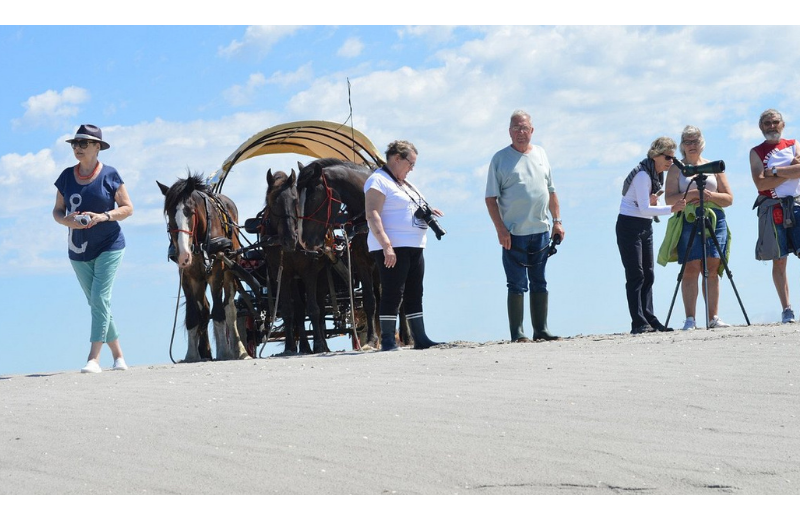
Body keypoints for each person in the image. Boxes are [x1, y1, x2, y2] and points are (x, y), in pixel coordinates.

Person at [52, 124, 134, 373]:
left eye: (83, 143)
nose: (77, 148)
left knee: (99, 298)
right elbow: (57, 211)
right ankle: (119, 356)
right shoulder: (66, 176)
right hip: (77, 251)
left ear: (97, 147)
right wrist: (67, 220)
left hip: (110, 246)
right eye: (75, 144)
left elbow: (127, 208)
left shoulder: (110, 174)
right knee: (97, 303)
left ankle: (93, 359)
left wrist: (103, 216)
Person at [485, 109, 564, 342]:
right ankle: (518, 333)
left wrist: (557, 222)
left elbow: (551, 191)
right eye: (516, 128)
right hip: (513, 233)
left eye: (525, 128)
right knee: (517, 284)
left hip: (540, 230)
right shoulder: (500, 159)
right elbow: (491, 199)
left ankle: (541, 330)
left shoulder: (541, 153)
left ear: (532, 130)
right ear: (509, 132)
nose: (521, 132)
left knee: (540, 281)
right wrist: (500, 229)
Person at [365, 140, 443, 351]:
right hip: (394, 246)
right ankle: (388, 340)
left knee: (415, 291)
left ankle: (420, 337)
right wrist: (386, 245)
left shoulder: (405, 184)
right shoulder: (378, 180)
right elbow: (372, 214)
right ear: (397, 158)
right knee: (393, 291)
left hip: (414, 245)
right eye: (410, 164)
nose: (411, 169)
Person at [663, 126, 734, 330]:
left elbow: (729, 198)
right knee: (690, 267)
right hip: (689, 217)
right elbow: (669, 198)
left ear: (701, 143)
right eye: (687, 141)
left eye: (694, 141)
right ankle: (690, 318)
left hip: (714, 218)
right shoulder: (678, 168)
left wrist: (710, 197)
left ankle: (713, 317)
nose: (691, 145)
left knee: (712, 267)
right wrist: (693, 196)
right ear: (682, 145)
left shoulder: (713, 166)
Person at [617, 137, 686, 334]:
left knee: (648, 273)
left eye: (673, 158)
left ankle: (649, 318)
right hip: (629, 225)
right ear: (655, 155)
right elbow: (646, 208)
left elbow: (647, 207)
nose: (671, 161)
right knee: (636, 274)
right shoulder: (643, 176)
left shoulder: (655, 174)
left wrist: (655, 203)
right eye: (667, 157)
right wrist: (672, 208)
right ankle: (638, 322)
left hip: (644, 225)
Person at [750, 109, 800, 324]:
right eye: (767, 123)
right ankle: (786, 308)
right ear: (761, 127)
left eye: (775, 122)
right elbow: (761, 183)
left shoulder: (793, 144)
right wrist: (790, 169)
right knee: (779, 260)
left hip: (796, 203)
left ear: (783, 124)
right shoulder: (756, 152)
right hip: (772, 208)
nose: (772, 126)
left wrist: (776, 172)